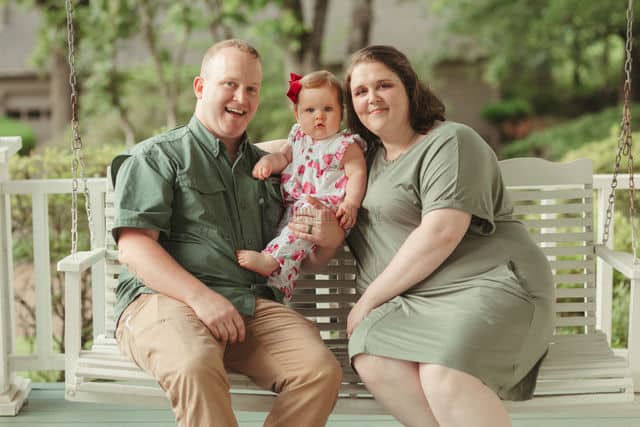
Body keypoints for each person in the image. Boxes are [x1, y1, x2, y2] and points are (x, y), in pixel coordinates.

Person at [294, 45, 554, 427]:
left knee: (443, 374)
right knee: (372, 357)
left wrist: (369, 301)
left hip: (489, 284)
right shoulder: (361, 162)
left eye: (384, 85)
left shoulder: (450, 142)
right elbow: (297, 149)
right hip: (411, 304)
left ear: (410, 88)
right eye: (360, 92)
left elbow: (442, 232)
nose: (372, 98)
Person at [109, 39, 342, 427]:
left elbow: (299, 256)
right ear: (201, 88)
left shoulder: (267, 172)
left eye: (251, 89)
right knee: (194, 364)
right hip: (165, 301)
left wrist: (328, 236)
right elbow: (134, 248)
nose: (241, 97)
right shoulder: (157, 157)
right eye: (229, 84)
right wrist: (201, 298)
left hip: (247, 304)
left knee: (319, 371)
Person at [236, 70, 367, 301]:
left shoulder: (345, 144)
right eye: (310, 110)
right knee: (287, 238)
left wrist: (351, 203)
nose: (319, 117)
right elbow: (283, 157)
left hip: (326, 210)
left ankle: (271, 260)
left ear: (341, 113)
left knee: (295, 232)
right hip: (295, 206)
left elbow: (357, 173)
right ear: (297, 114)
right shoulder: (297, 137)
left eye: (328, 109)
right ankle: (280, 288)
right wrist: (268, 162)